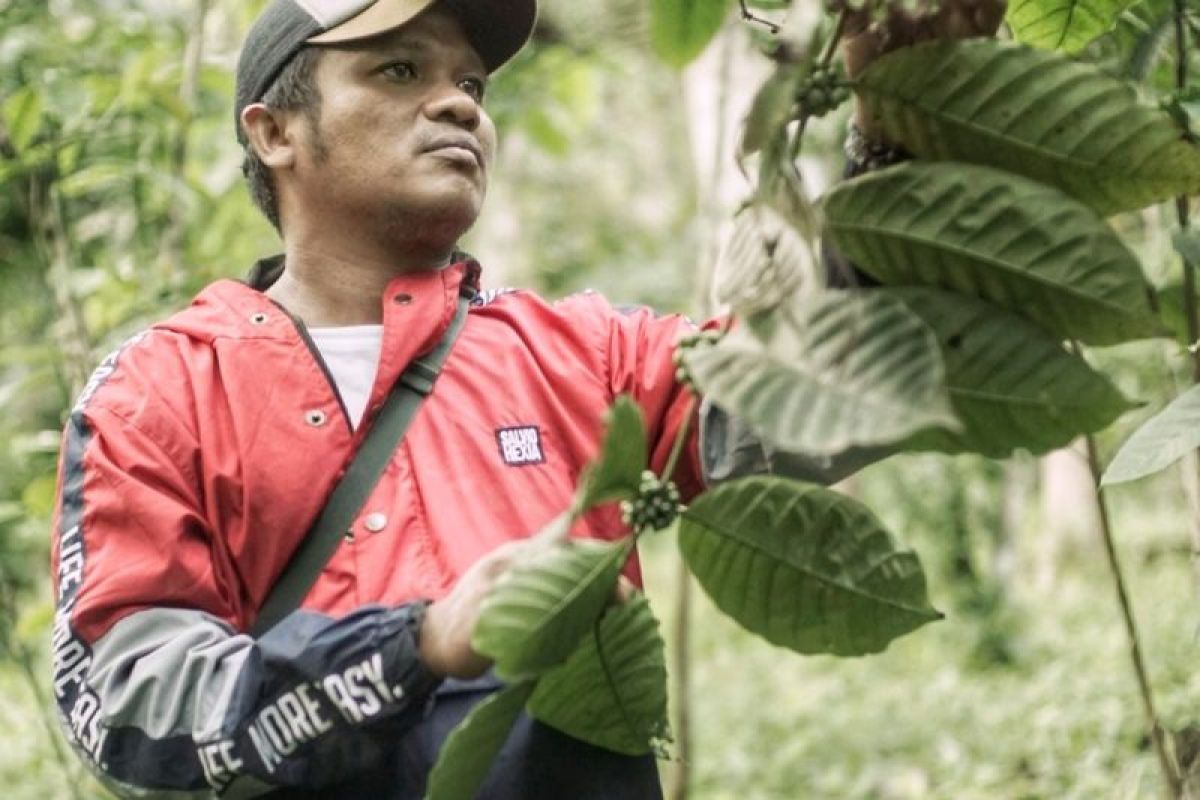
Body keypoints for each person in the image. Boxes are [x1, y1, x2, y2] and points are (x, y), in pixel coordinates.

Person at [48, 0, 1003, 797]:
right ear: (275, 130)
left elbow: (825, 386)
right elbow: (130, 700)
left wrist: (898, 130)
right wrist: (413, 646)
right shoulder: (156, 392)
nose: (458, 107)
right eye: (397, 73)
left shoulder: (580, 353)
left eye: (470, 85)